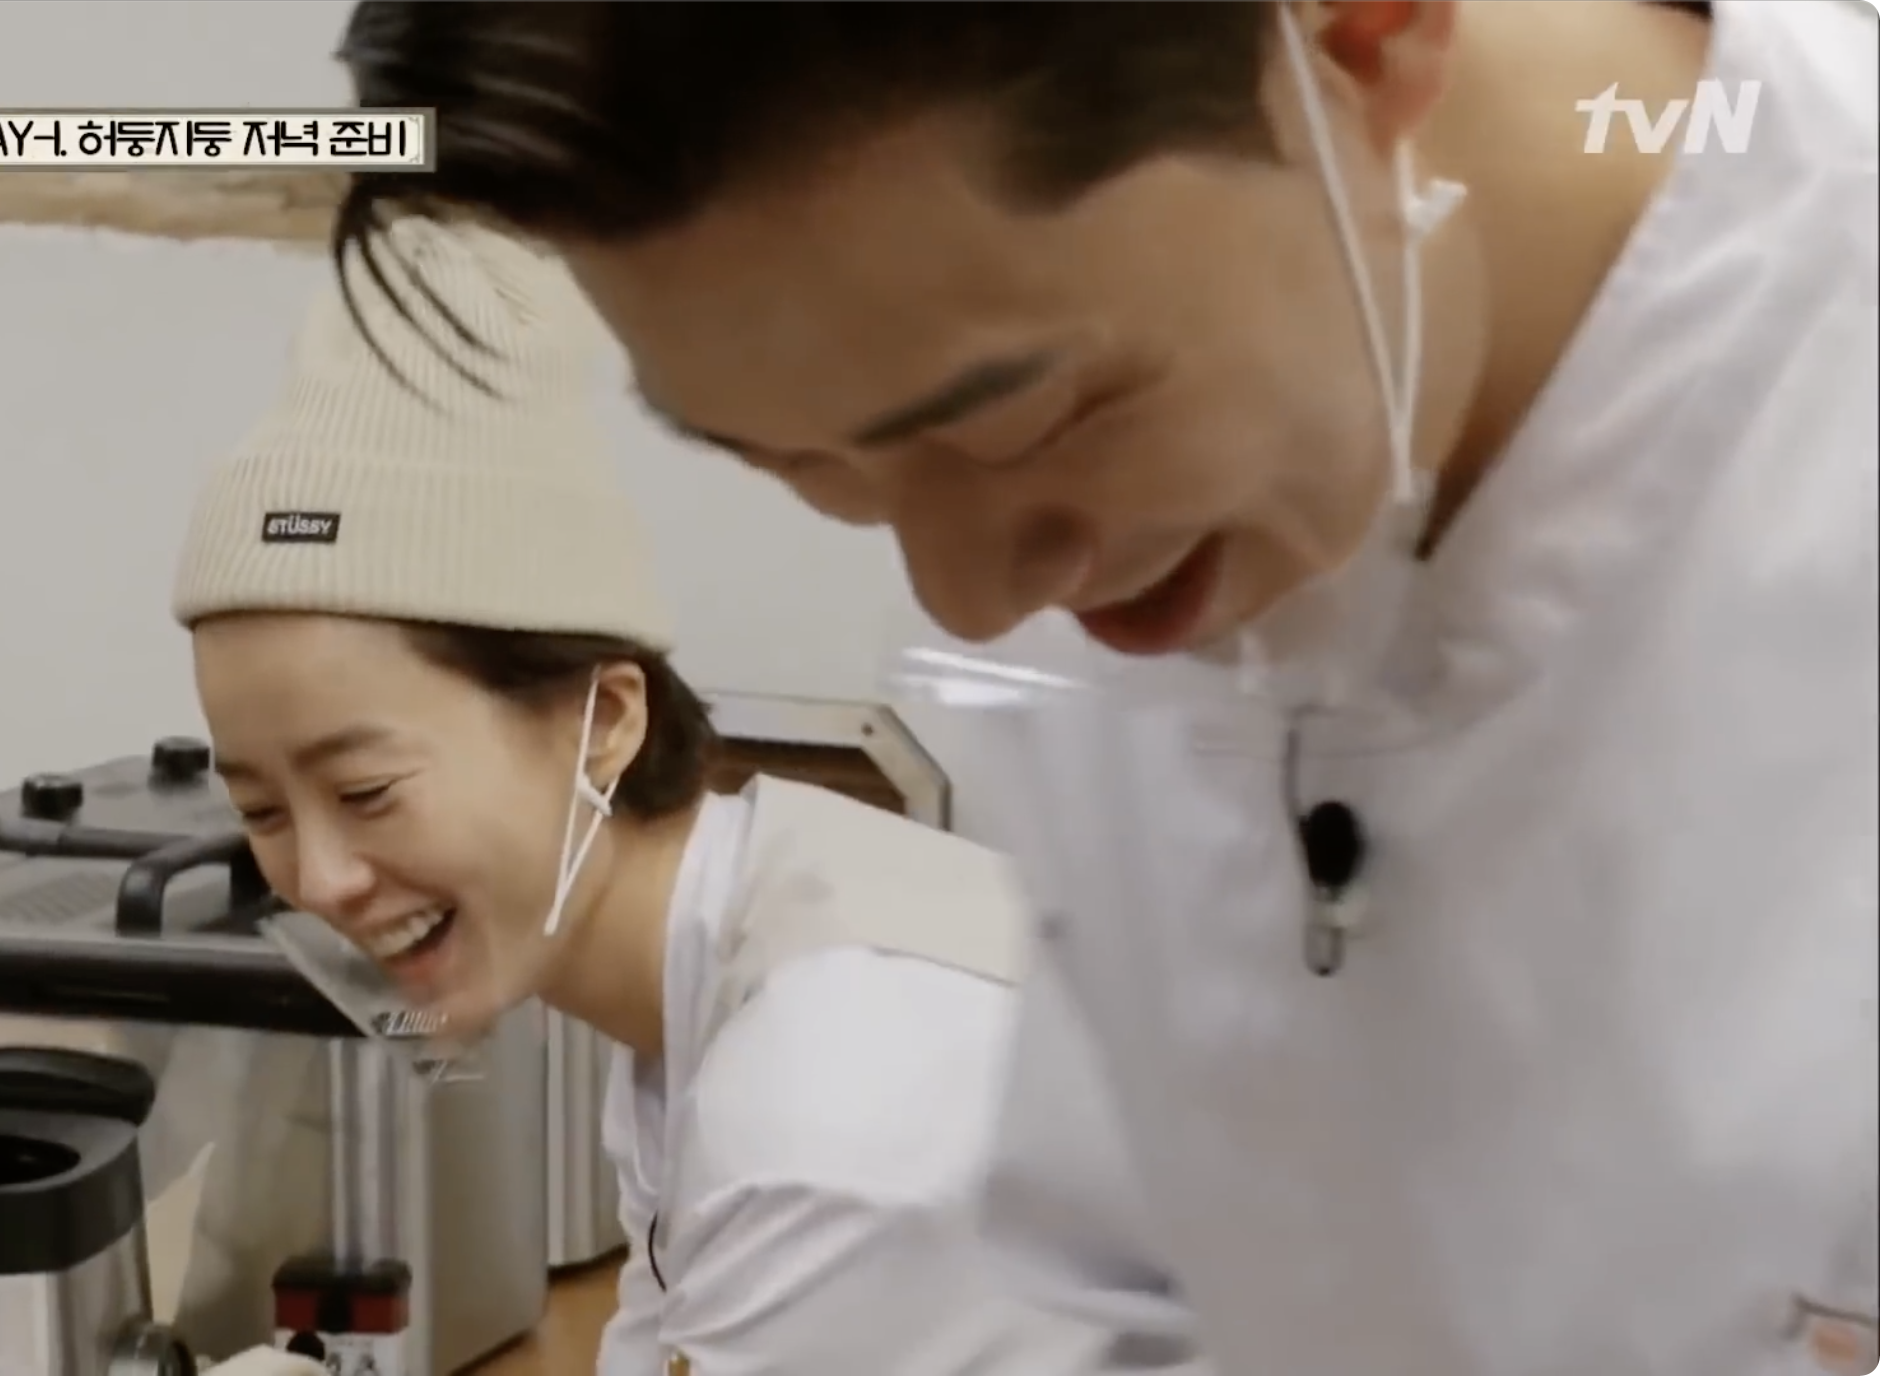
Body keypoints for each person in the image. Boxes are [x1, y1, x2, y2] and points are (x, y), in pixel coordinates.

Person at [322, 3, 1880, 1374]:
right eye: (804, 466)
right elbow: (1143, 1279)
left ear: (1363, 35)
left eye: (1024, 419)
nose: (969, 594)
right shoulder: (1152, 531)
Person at [168, 219, 1121, 1374]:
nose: (319, 879)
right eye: (262, 810)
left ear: (607, 718)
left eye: (366, 790)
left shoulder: (828, 1092)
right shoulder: (701, 978)